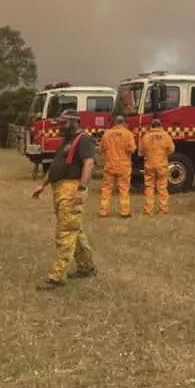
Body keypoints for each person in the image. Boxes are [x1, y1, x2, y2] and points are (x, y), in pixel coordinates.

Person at [32, 112, 97, 290]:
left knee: (66, 232)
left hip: (71, 189)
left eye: (63, 122)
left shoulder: (84, 140)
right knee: (75, 229)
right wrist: (42, 184)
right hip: (60, 189)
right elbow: (56, 165)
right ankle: (87, 267)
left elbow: (89, 164)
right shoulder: (66, 141)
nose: (59, 125)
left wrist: (81, 188)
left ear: (74, 122)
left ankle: (57, 276)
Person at [98, 115, 135, 218]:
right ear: (123, 123)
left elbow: (101, 149)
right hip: (123, 166)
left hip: (110, 166)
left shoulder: (107, 134)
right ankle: (124, 212)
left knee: (106, 189)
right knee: (124, 189)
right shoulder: (128, 134)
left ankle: (103, 212)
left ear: (114, 123)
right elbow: (132, 149)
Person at [138, 118, 175, 215]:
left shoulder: (146, 137)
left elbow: (141, 151)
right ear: (160, 125)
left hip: (149, 165)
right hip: (162, 165)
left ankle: (148, 210)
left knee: (149, 187)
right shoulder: (166, 136)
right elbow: (171, 150)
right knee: (162, 188)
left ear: (151, 126)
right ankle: (163, 209)